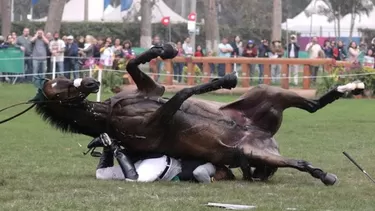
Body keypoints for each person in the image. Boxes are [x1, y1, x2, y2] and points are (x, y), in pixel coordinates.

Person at [88, 133, 234, 183]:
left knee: (101, 175)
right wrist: (210, 182)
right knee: (134, 180)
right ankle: (114, 147)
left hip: (155, 162)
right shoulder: (212, 167)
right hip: (163, 165)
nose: (222, 177)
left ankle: (106, 145)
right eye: (224, 175)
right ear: (223, 170)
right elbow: (199, 173)